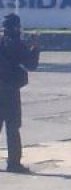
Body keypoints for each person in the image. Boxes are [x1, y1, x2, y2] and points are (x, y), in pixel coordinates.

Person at [0, 13, 40, 173]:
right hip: (10, 89)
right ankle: (13, 163)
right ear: (16, 27)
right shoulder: (17, 44)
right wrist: (35, 47)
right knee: (13, 127)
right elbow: (31, 64)